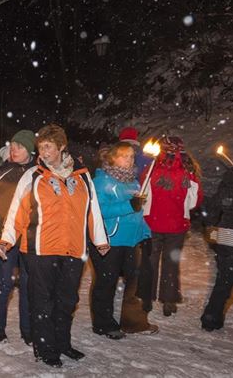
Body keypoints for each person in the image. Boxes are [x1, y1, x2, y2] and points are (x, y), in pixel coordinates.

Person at [2, 124, 110, 367]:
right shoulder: (33, 176)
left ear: (62, 146)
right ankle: (45, 348)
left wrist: (100, 239)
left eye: (48, 146)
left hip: (74, 249)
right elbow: (17, 209)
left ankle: (63, 343)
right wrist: (7, 239)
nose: (44, 151)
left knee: (67, 300)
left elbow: (92, 209)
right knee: (43, 301)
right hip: (40, 249)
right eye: (41, 147)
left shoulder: (82, 176)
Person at [91, 142, 158, 339]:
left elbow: (137, 213)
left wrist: (145, 233)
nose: (129, 160)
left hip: (131, 240)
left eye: (131, 156)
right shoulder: (101, 182)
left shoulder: (134, 182)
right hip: (110, 240)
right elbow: (100, 211)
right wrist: (129, 205)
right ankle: (103, 324)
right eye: (123, 156)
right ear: (112, 158)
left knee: (135, 283)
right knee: (107, 282)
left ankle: (132, 322)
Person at [137, 136, 203, 316]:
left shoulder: (152, 168)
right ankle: (169, 300)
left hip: (152, 223)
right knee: (171, 262)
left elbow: (142, 192)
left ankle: (146, 298)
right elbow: (194, 201)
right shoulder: (189, 172)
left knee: (150, 261)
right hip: (177, 225)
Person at [0, 130, 35, 345]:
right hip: (6, 236)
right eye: (12, 146)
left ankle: (28, 329)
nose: (14, 150)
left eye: (19, 146)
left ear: (30, 149)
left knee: (28, 283)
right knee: (5, 281)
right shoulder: (2, 172)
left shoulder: (38, 173)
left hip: (30, 237)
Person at [201, 149, 233, 339]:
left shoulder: (230, 180)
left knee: (224, 282)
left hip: (228, 238)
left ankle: (211, 320)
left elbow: (214, 206)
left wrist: (211, 226)